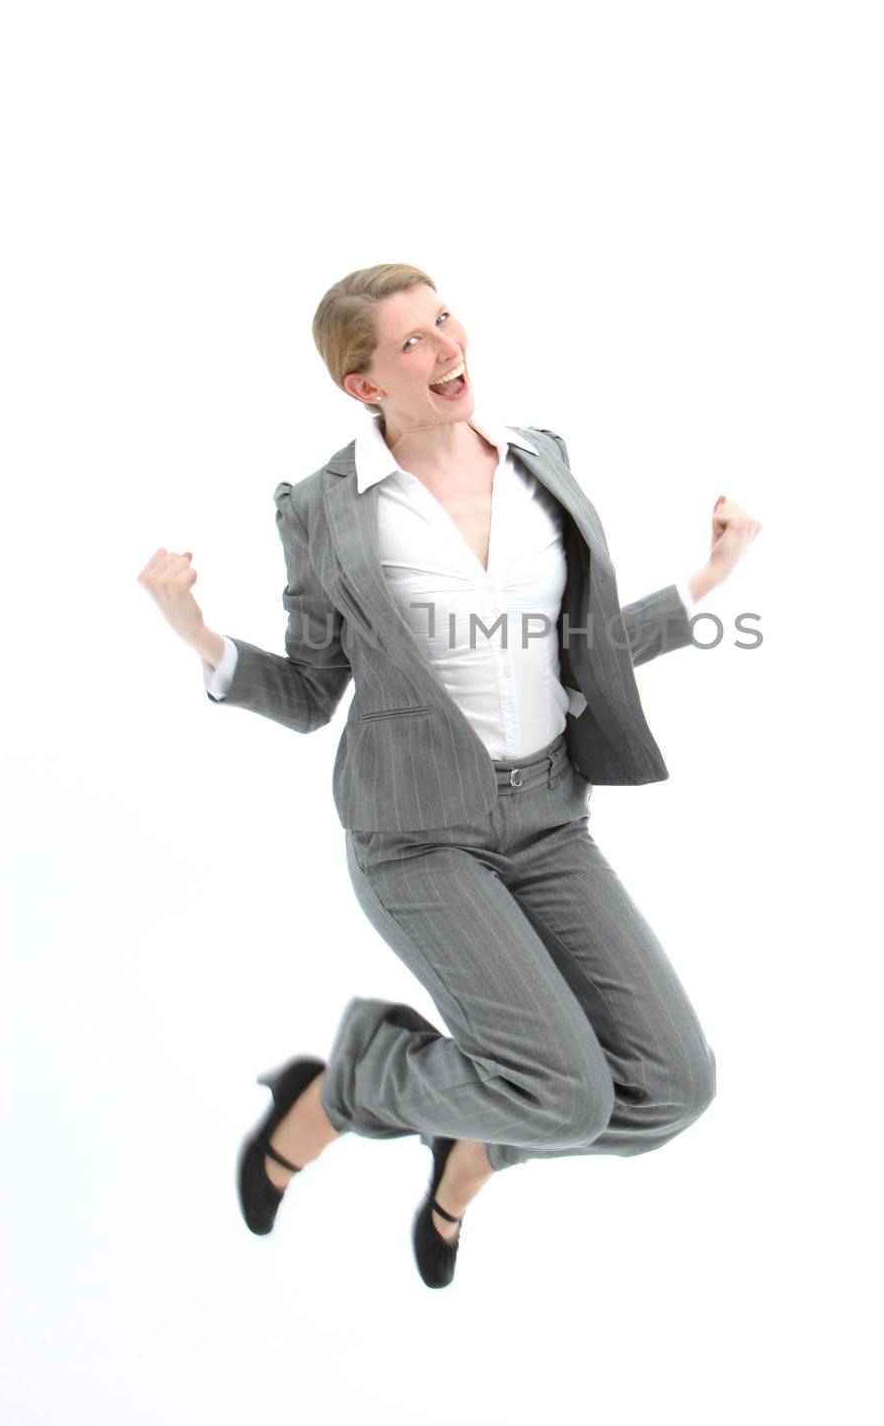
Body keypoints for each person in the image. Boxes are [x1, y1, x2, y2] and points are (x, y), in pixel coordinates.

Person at [137, 263, 762, 1289]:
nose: (446, 346)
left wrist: (706, 583)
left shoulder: (539, 459)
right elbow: (306, 689)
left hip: (549, 820)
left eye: (443, 319)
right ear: (364, 384)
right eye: (412, 342)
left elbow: (579, 643)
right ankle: (348, 1082)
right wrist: (200, 638)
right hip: (416, 835)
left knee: (668, 1089)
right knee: (563, 1093)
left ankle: (471, 1142)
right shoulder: (326, 511)